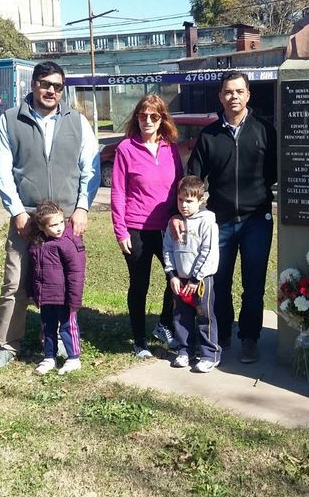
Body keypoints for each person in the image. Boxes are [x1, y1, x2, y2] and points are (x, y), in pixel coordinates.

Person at [0, 61, 99, 371]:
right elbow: (1, 168)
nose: (51, 90)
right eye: (45, 83)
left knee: (61, 283)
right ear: (33, 84)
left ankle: (60, 339)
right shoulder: (10, 120)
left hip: (64, 220)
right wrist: (17, 212)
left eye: (57, 86)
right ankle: (7, 345)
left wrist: (82, 207)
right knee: (15, 282)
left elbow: (90, 169)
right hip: (28, 219)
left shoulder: (77, 122)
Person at [188, 71, 277, 364]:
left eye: (239, 91)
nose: (233, 97)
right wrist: (188, 213)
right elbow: (193, 179)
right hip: (220, 222)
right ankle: (223, 333)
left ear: (248, 95)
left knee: (253, 284)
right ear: (220, 96)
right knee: (219, 282)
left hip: (256, 221)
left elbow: (276, 174)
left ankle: (249, 338)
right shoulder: (209, 135)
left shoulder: (265, 130)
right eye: (228, 92)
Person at [111, 94, 183, 358]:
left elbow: (180, 186)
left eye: (154, 116)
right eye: (143, 116)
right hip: (136, 228)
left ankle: (164, 325)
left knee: (175, 278)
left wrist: (181, 217)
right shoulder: (125, 149)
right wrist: (120, 231)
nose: (148, 121)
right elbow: (118, 192)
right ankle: (139, 340)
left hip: (167, 228)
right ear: (137, 118)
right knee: (139, 284)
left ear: (162, 119)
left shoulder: (170, 148)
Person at [163, 176, 220, 372]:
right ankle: (185, 350)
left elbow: (209, 251)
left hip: (201, 280)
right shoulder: (174, 223)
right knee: (181, 316)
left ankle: (209, 354)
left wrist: (196, 278)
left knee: (205, 317)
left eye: (189, 201)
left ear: (201, 200)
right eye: (180, 200)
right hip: (180, 279)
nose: (184, 206)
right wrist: (172, 275)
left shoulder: (207, 221)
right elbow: (168, 249)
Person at [27, 201, 85, 376]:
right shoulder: (37, 245)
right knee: (47, 327)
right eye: (53, 225)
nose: (59, 227)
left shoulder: (68, 243)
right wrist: (33, 292)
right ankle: (49, 357)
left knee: (68, 326)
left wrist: (74, 299)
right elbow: (34, 270)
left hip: (64, 297)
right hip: (46, 296)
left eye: (61, 222)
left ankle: (73, 357)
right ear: (42, 227)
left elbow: (76, 272)